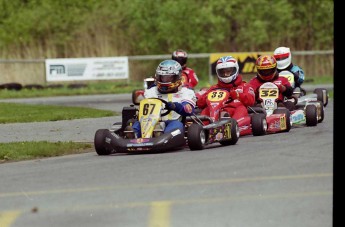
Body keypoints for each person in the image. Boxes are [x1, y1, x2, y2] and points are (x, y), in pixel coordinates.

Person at [127, 59, 197, 138]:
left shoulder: (186, 92)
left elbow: (188, 110)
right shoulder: (151, 91)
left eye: (169, 78)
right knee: (139, 123)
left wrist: (175, 106)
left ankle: (162, 136)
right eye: (162, 77)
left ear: (177, 77)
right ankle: (134, 134)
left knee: (175, 126)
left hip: (174, 121)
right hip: (151, 122)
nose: (165, 80)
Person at [196, 56, 255, 121]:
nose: (226, 74)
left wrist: (238, 95)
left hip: (234, 111)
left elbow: (251, 101)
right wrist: (207, 97)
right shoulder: (214, 88)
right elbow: (200, 104)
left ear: (236, 69)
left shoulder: (245, 86)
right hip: (216, 112)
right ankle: (202, 127)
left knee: (241, 108)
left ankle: (234, 125)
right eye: (222, 72)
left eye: (228, 71)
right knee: (206, 110)